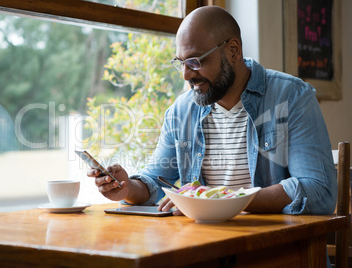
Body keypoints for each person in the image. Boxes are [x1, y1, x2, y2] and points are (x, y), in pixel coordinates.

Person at [87, 6, 337, 216]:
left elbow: (318, 191)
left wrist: (222, 199)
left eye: (196, 61)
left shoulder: (291, 96)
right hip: (208, 247)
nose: (186, 75)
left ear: (233, 50)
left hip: (278, 251)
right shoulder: (181, 111)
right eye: (181, 63)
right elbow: (155, 181)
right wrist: (127, 188)